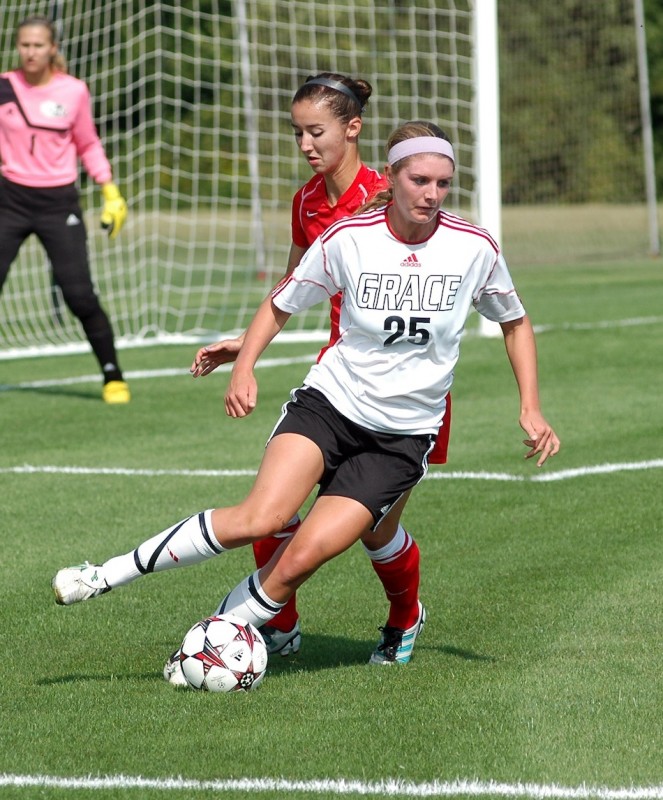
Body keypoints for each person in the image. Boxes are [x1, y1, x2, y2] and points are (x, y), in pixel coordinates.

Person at [51, 120, 560, 679]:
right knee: (261, 518)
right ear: (392, 176)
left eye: (443, 183)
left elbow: (515, 322)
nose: (432, 195)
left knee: (302, 558)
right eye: (419, 180)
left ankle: (216, 641)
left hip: (400, 437)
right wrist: (245, 366)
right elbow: (280, 303)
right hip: (329, 405)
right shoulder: (349, 237)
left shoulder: (474, 247)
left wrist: (530, 407)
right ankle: (104, 575)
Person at [186, 73, 451, 668]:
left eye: (316, 131)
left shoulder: (394, 191)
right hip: (335, 382)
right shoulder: (307, 200)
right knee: (270, 510)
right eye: (297, 133)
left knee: (373, 531)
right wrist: (245, 345)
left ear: (351, 128)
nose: (306, 144)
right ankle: (277, 626)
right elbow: (293, 283)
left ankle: (405, 615)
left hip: (405, 394)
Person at [0, 16, 130, 404]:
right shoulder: (4, 87)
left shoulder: (73, 91)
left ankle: (112, 375)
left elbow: (87, 143)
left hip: (59, 204)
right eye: (25, 45)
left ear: (52, 47)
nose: (31, 52)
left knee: (79, 296)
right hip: (9, 200)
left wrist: (110, 191)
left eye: (39, 45)